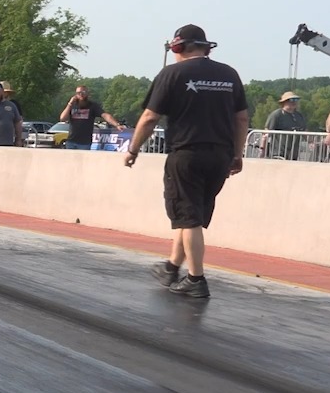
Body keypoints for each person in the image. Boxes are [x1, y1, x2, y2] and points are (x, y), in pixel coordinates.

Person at [125, 25, 249, 300]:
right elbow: (241, 118)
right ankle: (171, 267)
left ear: (178, 48)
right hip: (220, 156)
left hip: (187, 154)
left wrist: (133, 149)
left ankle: (196, 279)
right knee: (191, 214)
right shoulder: (229, 74)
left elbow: (149, 117)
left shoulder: (172, 73)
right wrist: (237, 154)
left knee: (188, 216)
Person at [60, 85, 119, 150]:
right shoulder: (72, 105)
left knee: (82, 160)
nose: (81, 94)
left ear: (87, 94)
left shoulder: (92, 106)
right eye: (78, 93)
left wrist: (117, 125)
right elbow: (62, 118)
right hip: (71, 141)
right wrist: (70, 103)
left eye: (83, 92)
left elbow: (105, 115)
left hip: (85, 143)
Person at [263, 91, 307, 159]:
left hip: (293, 154)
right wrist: (262, 150)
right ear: (284, 102)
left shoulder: (299, 116)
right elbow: (266, 133)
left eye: (296, 100)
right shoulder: (276, 115)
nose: (294, 102)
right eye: (291, 100)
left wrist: (312, 143)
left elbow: (304, 132)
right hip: (278, 153)